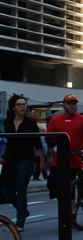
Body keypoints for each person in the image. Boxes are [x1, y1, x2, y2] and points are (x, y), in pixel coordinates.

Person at [45, 94, 83, 201]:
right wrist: (54, 146)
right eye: (69, 103)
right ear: (64, 105)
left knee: (72, 188)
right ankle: (64, 203)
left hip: (76, 158)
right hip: (59, 159)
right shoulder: (56, 120)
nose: (72, 106)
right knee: (52, 184)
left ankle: (73, 210)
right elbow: (48, 137)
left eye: (74, 104)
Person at [2, 94, 46, 230]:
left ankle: (20, 222)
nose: (22, 107)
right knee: (7, 191)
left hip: (26, 160)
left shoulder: (30, 122)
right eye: (19, 105)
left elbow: (37, 142)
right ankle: (23, 211)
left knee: (21, 190)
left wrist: (42, 161)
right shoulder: (7, 122)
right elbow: (2, 141)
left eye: (24, 104)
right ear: (13, 107)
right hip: (9, 160)